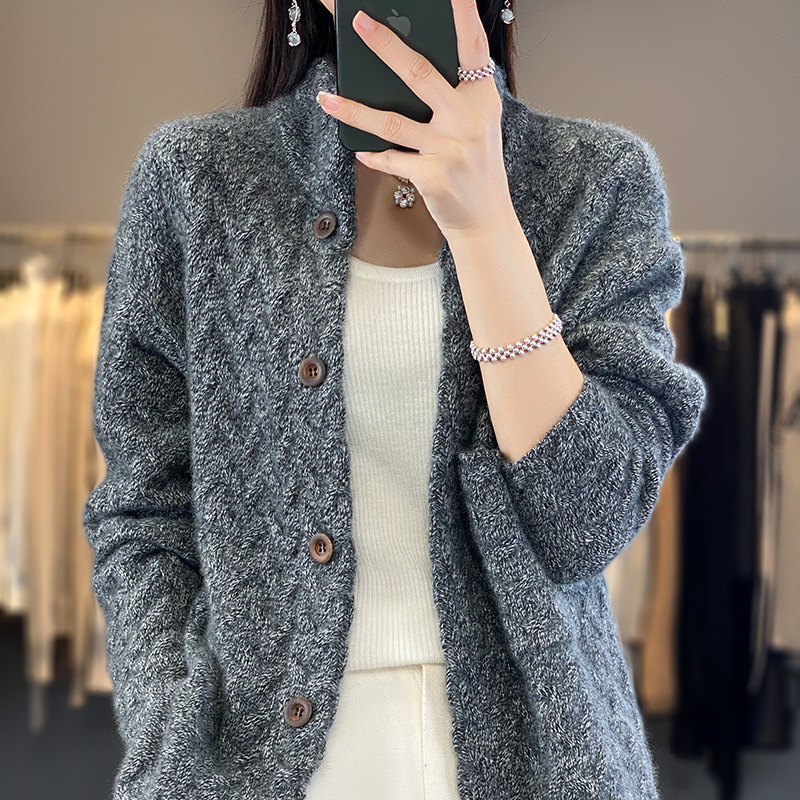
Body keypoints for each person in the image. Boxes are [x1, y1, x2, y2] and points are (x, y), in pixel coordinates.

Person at [83, 1, 707, 799]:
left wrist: (486, 226)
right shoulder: (194, 177)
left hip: (540, 765)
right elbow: (144, 512)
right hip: (260, 768)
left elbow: (585, 524)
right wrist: (170, 736)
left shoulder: (599, 180)